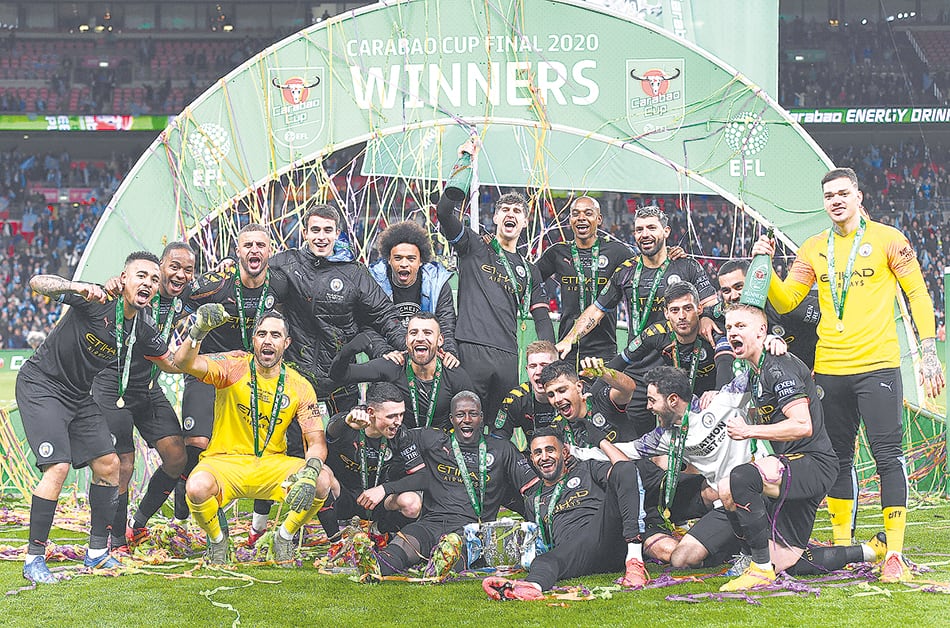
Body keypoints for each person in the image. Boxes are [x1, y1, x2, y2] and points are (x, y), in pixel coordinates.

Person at [750, 167, 946, 582]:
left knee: (887, 456)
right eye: (828, 196)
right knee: (837, 459)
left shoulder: (889, 239)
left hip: (877, 365)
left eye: (842, 193)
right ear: (823, 203)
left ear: (858, 196)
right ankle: (844, 543)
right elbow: (786, 302)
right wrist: (764, 265)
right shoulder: (812, 247)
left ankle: (893, 553)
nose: (835, 201)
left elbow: (918, 293)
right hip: (831, 370)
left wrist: (928, 351)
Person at [17, 252, 177, 583]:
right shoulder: (96, 300)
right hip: (41, 385)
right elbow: (37, 283)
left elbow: (173, 363)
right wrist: (78, 286)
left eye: (153, 279)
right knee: (58, 467)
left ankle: (96, 554)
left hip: (78, 395)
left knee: (110, 466)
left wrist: (203, 339)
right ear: (124, 278)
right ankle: (34, 559)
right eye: (141, 276)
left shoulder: (143, 331)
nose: (147, 283)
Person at [718, 304, 883, 591]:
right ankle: (868, 552)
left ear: (761, 331)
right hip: (793, 462)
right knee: (787, 560)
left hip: (813, 464)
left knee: (741, 479)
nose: (733, 332)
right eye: (729, 327)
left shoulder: (777, 365)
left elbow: (802, 425)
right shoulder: (755, 371)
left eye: (741, 326)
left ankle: (759, 568)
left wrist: (749, 431)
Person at [176, 307, 331, 566]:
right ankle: (217, 542)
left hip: (272, 466)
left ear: (286, 343)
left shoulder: (299, 386)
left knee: (323, 480)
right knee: (196, 487)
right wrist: (197, 332)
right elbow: (183, 363)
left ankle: (283, 537)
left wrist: (311, 472)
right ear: (254, 341)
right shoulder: (231, 369)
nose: (268, 340)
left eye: (275, 335)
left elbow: (316, 441)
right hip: (225, 462)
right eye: (262, 334)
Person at [351, 391, 538, 579]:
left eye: (473, 414)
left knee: (456, 549)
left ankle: (440, 567)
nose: (466, 419)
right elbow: (395, 431)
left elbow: (532, 488)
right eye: (460, 414)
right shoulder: (433, 441)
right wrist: (362, 414)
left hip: (472, 529)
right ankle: (375, 567)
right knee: (405, 543)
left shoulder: (502, 449)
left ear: (481, 418)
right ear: (451, 418)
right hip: (431, 522)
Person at [437, 139, 555, 424]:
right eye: (505, 210)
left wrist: (550, 353)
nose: (511, 214)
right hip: (470, 349)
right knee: (465, 423)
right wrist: (464, 162)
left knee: (502, 428)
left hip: (507, 356)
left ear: (525, 223)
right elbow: (443, 213)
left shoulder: (529, 269)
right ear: (495, 217)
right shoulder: (474, 246)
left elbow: (541, 317)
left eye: (517, 211)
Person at [91, 242, 195, 551]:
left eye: (187, 270)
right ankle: (115, 538)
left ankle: (137, 524)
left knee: (177, 457)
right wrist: (113, 283)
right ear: (159, 267)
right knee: (124, 464)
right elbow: (115, 290)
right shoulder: (139, 290)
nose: (179, 275)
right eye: (173, 267)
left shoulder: (186, 295)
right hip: (113, 385)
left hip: (149, 388)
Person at [269, 202, 406, 422]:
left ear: (337, 233)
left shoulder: (355, 272)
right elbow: (251, 275)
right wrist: (230, 264)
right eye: (315, 230)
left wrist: (405, 346)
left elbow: (383, 315)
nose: (321, 237)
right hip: (296, 377)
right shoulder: (286, 263)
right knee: (295, 451)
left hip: (340, 380)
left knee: (341, 448)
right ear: (304, 233)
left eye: (327, 230)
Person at [178, 223, 276, 523]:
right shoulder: (216, 284)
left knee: (266, 442)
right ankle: (188, 510)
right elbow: (176, 298)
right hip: (209, 371)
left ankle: (258, 523)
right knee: (198, 443)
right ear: (237, 252)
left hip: (252, 377)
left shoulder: (280, 284)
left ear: (269, 251)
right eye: (248, 246)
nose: (254, 251)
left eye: (260, 245)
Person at [483, 427, 648, 601]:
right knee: (543, 562)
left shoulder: (587, 469)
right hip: (576, 555)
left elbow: (627, 471)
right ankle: (529, 587)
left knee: (623, 468)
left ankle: (634, 561)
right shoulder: (533, 498)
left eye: (550, 450)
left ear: (565, 452)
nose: (544, 457)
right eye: (538, 452)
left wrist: (602, 441)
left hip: (607, 535)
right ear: (532, 459)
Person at [556, 205, 719, 359]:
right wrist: (569, 339)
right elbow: (597, 310)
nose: (645, 234)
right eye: (639, 230)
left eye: (652, 228)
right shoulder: (626, 271)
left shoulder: (687, 266)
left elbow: (710, 303)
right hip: (637, 363)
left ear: (666, 231)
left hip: (679, 360)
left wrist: (705, 317)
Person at [609, 281, 735, 436]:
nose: (681, 316)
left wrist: (718, 393)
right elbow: (619, 362)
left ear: (699, 308)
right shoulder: (657, 333)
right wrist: (592, 392)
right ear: (666, 313)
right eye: (675, 310)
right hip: (681, 404)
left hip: (715, 399)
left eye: (688, 308)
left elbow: (725, 365)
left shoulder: (713, 331)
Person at [328, 313, 473, 430]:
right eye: (414, 333)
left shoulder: (455, 375)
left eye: (428, 333)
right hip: (398, 449)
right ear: (406, 339)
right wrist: (348, 351)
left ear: (440, 340)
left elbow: (472, 421)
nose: (420, 338)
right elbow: (339, 375)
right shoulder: (394, 365)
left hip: (439, 451)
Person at [536, 196, 633, 365]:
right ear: (570, 220)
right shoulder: (558, 252)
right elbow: (529, 280)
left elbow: (645, 269)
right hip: (567, 349)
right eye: (575, 214)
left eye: (588, 213)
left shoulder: (617, 252)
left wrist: (670, 253)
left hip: (604, 350)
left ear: (599, 219)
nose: (581, 218)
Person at [319, 382, 422, 538]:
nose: (398, 421)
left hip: (377, 501)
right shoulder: (348, 424)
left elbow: (422, 477)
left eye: (401, 414)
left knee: (412, 503)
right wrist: (346, 421)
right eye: (391, 416)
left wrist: (385, 489)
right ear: (371, 412)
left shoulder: (401, 434)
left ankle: (378, 531)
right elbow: (332, 428)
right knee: (320, 475)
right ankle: (335, 541)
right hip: (343, 495)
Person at [368, 219, 459, 364]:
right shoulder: (374, 283)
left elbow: (446, 322)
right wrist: (384, 352)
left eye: (411, 259)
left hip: (427, 357)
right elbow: (369, 325)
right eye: (398, 258)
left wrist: (449, 352)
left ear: (421, 261)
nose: (404, 264)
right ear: (389, 260)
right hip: (390, 358)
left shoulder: (437, 283)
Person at [717, 258, 820, 370]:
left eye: (739, 287)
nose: (734, 296)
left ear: (753, 282)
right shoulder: (729, 314)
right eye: (726, 291)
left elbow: (832, 317)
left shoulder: (782, 304)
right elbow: (707, 311)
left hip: (819, 369)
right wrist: (705, 318)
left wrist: (821, 363)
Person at [540, 358, 636, 446]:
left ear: (579, 387)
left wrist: (603, 373)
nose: (557, 399)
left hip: (630, 462)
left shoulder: (601, 401)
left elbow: (628, 388)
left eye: (562, 390)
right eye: (551, 395)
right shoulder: (557, 428)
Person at [491, 340, 559, 445]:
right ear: (527, 370)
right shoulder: (516, 398)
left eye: (544, 365)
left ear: (557, 368)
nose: (538, 372)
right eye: (533, 366)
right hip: (533, 455)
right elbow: (498, 439)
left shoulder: (570, 393)